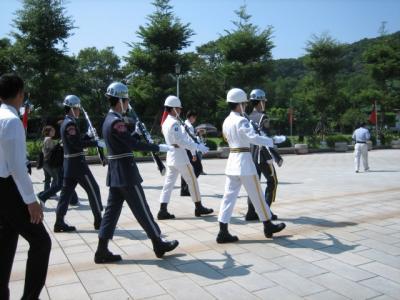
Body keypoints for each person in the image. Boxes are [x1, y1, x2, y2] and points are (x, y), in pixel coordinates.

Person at [95, 82, 179, 263]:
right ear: (119, 100)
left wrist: (135, 133)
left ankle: (101, 250)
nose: (127, 103)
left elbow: (124, 141)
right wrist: (158, 146)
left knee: (111, 213)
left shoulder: (110, 120)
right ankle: (158, 242)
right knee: (142, 210)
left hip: (117, 173)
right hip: (126, 173)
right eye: (126, 100)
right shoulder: (116, 121)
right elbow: (132, 145)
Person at [0, 73, 51, 300]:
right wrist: (31, 201)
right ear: (19, 94)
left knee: (6, 243)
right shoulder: (11, 121)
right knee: (41, 242)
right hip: (10, 189)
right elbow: (17, 168)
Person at [216, 88, 286, 243]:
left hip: (232, 161)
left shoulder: (227, 120)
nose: (246, 106)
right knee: (258, 195)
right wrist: (272, 140)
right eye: (244, 103)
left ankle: (222, 231)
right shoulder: (241, 120)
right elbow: (253, 138)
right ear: (240, 104)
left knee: (228, 198)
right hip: (244, 162)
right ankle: (268, 225)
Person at [158, 95, 213, 220]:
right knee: (192, 181)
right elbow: (182, 142)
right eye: (178, 108)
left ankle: (163, 209)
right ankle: (199, 207)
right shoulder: (174, 123)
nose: (180, 110)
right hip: (180, 156)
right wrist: (197, 146)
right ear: (173, 109)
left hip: (171, 155)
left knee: (168, 184)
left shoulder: (167, 122)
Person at [55, 95, 104, 232]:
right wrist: (95, 142)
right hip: (77, 164)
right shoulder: (70, 124)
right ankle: (99, 220)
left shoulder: (66, 122)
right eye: (77, 108)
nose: (78, 111)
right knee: (93, 189)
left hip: (69, 164)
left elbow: (75, 140)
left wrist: (88, 136)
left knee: (66, 194)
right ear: (71, 108)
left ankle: (59, 222)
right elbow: (76, 144)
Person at [245, 89, 282, 221]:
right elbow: (266, 139)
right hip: (263, 156)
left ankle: (251, 212)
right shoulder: (263, 117)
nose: (264, 104)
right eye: (264, 101)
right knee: (272, 182)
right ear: (260, 102)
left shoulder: (248, 117)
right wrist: (277, 157)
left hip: (251, 156)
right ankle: (266, 211)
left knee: (254, 184)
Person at [180, 110, 204, 196]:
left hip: (183, 149)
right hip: (189, 150)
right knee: (198, 168)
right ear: (191, 117)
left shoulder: (183, 124)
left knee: (185, 170)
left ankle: (184, 190)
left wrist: (196, 133)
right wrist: (194, 154)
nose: (195, 120)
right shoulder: (189, 126)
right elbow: (190, 141)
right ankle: (188, 187)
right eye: (194, 118)